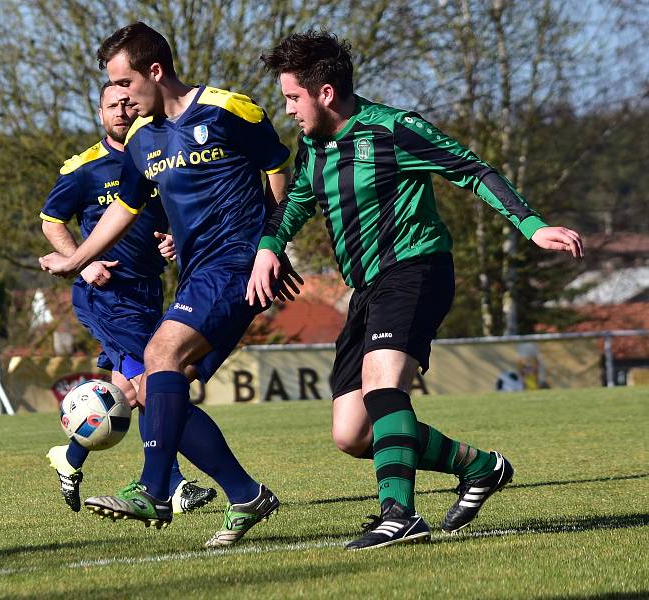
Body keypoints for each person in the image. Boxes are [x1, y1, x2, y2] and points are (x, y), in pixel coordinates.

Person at [248, 31, 584, 551]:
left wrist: (531, 225)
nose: (288, 108)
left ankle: (399, 514)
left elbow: (473, 170)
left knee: (385, 387)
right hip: (365, 288)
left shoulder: (394, 129)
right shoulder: (310, 146)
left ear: (326, 93)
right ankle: (479, 467)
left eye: (293, 97)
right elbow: (296, 201)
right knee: (353, 434)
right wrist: (270, 244)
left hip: (416, 269)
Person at [39, 23, 301, 548]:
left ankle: (155, 489)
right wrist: (78, 259)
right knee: (161, 383)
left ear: (155, 72)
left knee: (160, 353)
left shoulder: (231, 111)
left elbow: (278, 170)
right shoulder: (142, 141)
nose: (121, 96)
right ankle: (246, 493)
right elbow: (125, 208)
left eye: (125, 82)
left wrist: (271, 245)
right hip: (196, 270)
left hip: (235, 263)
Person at [40, 81, 217, 517]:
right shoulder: (83, 168)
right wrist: (81, 263)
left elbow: (171, 213)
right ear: (100, 113)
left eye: (126, 103)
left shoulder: (154, 153)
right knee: (153, 382)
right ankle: (172, 486)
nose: (121, 111)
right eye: (111, 105)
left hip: (147, 291)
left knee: (125, 390)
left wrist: (172, 239)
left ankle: (70, 458)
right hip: (106, 296)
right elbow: (51, 222)